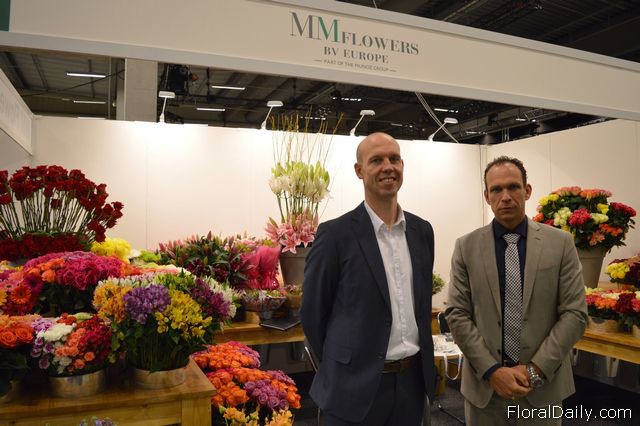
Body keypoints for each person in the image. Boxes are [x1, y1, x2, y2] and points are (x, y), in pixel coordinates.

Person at [300, 132, 435, 425]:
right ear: (359, 171)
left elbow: (422, 307)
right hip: (352, 388)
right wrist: (342, 363)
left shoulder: (422, 231)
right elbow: (312, 313)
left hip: (411, 386)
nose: (388, 167)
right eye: (376, 160)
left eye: (394, 159)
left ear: (402, 166)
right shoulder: (335, 235)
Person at [445, 156, 588, 425]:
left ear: (527, 190)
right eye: (496, 189)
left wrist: (535, 370)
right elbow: (457, 313)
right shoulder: (466, 247)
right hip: (485, 390)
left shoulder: (560, 244)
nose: (506, 197)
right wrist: (492, 371)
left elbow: (575, 313)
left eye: (513, 187)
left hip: (542, 388)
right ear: (487, 196)